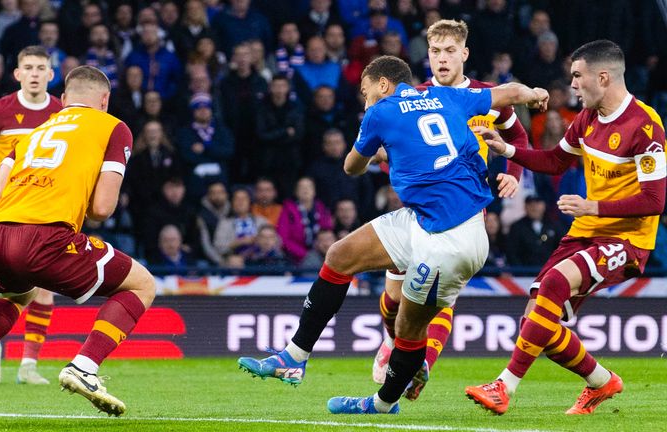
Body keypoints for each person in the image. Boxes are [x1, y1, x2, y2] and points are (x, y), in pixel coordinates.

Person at [237, 55, 548, 414]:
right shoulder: (447, 96)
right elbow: (507, 92)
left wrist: (377, 149)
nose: (365, 101)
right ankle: (293, 356)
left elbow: (351, 167)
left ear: (383, 85)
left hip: (453, 238)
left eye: (366, 92)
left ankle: (383, 403)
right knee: (340, 256)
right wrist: (534, 93)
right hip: (424, 218)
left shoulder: (380, 112)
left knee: (407, 326)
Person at [0, 65, 152, 421]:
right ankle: (84, 366)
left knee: (14, 294)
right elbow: (101, 209)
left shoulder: (31, 135)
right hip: (48, 237)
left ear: (63, 100)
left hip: (0, 237)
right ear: (105, 100)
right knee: (142, 284)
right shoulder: (114, 127)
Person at [466, 40, 666, 416]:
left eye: (577, 76)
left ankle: (503, 387)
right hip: (585, 233)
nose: (572, 84)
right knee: (535, 321)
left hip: (626, 240)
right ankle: (601, 380)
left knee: (555, 284)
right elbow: (557, 161)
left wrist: (594, 206)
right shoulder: (588, 118)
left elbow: (655, 201)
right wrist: (507, 151)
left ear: (602, 77)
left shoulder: (646, 125)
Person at [371, 19, 531, 398]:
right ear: (427, 56)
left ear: (464, 54)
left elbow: (518, 136)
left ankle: (421, 363)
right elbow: (385, 146)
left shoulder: (486, 96)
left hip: (464, 210)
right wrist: (383, 157)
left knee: (440, 292)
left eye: (449, 51)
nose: (442, 59)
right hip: (415, 211)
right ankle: (394, 341)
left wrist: (514, 171)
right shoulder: (413, 96)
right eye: (435, 52)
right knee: (394, 300)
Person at [0, 46, 63, 386]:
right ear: (17, 74)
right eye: (28, 67)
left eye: (41, 68)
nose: (35, 73)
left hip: (45, 210)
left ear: (51, 74)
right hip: (3, 210)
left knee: (45, 289)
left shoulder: (63, 114)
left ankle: (29, 367)